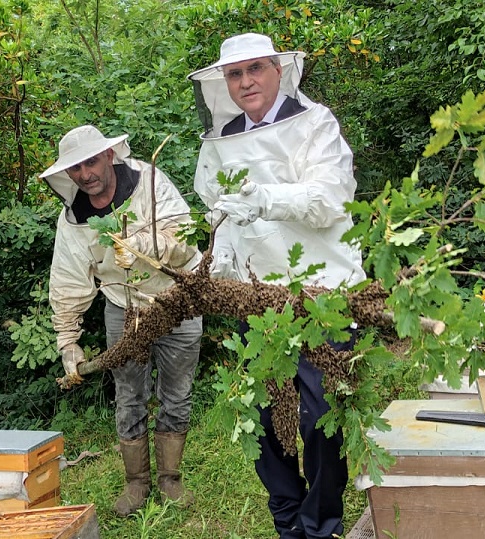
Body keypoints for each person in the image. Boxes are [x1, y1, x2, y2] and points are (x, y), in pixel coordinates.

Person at [189, 33, 366, 539]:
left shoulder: (316, 124)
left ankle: (321, 524)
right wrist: (216, 268)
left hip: (322, 294)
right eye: (234, 74)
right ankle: (288, 522)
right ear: (223, 83)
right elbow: (220, 219)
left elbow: (330, 200)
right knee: (267, 424)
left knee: (320, 420)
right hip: (257, 300)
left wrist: (265, 197)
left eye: (256, 69)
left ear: (279, 71)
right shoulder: (220, 142)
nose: (246, 82)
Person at [41, 125, 204, 516]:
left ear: (110, 156)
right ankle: (136, 485)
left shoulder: (149, 182)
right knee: (129, 398)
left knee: (177, 394)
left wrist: (144, 244)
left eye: (92, 162)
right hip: (122, 306)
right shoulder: (74, 218)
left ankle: (170, 479)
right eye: (76, 168)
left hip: (175, 299)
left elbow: (187, 239)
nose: (85, 174)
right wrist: (68, 341)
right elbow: (67, 280)